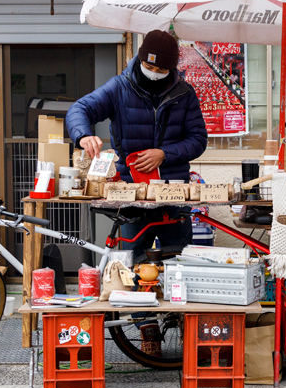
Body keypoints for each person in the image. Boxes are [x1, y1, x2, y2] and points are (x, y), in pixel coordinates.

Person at [66, 30, 208, 258]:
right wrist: (83, 134)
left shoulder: (185, 94)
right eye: (148, 67)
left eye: (160, 70)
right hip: (131, 194)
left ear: (171, 69)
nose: (153, 74)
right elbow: (80, 109)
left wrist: (164, 153)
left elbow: (198, 140)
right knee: (131, 263)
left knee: (180, 261)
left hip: (173, 193)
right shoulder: (118, 88)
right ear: (140, 60)